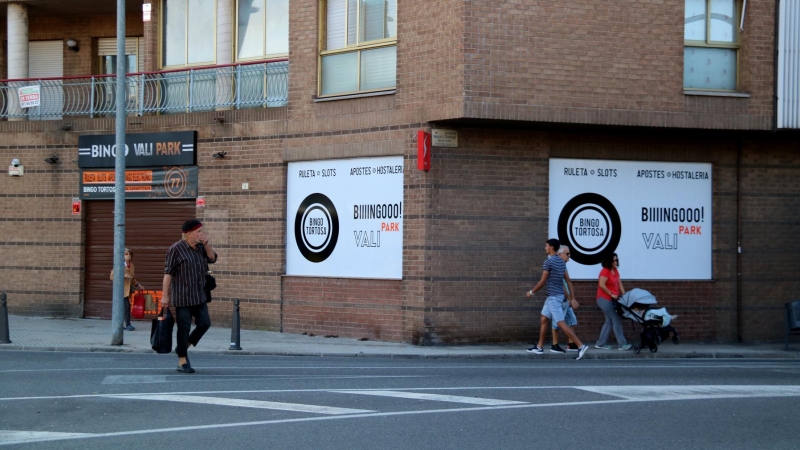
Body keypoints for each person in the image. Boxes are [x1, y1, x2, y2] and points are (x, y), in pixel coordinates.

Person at [161, 219, 217, 373]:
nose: (201, 233)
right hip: (183, 296)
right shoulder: (176, 249)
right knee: (183, 328)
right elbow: (168, 273)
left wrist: (206, 245)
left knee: (204, 323)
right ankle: (182, 361)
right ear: (189, 234)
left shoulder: (200, 247)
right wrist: (165, 295)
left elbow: (212, 258)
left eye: (201, 231)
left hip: (199, 295)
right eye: (198, 231)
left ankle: (182, 346)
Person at [526, 238, 589, 360]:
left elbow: (542, 282)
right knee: (544, 318)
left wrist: (531, 292)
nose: (545, 248)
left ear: (551, 248)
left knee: (560, 322)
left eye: (546, 246)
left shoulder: (548, 262)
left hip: (554, 298)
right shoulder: (561, 262)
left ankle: (581, 346)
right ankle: (539, 347)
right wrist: (572, 298)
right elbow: (567, 281)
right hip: (555, 296)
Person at [595, 252, 631, 350]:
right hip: (604, 299)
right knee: (616, 319)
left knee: (609, 321)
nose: (615, 262)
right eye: (613, 260)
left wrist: (624, 295)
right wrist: (611, 294)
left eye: (616, 260)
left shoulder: (615, 270)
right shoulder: (605, 271)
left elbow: (619, 283)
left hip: (612, 299)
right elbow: (602, 285)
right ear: (609, 261)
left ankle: (600, 343)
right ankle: (622, 344)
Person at [553, 245, 580, 352]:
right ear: (560, 255)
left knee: (572, 320)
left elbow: (568, 282)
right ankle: (555, 344)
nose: (569, 256)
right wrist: (570, 298)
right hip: (560, 298)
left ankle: (571, 343)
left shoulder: (564, 266)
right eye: (567, 254)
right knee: (558, 322)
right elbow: (561, 284)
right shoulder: (557, 266)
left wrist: (571, 298)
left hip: (566, 299)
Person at [109, 248, 143, 331]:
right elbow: (112, 276)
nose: (128, 256)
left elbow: (133, 278)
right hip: (121, 290)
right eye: (126, 254)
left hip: (128, 290)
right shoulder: (119, 265)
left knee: (123, 307)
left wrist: (138, 284)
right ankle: (128, 324)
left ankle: (120, 324)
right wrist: (123, 275)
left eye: (129, 254)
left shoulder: (132, 265)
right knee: (127, 306)